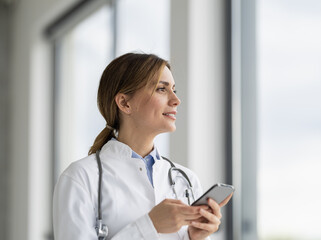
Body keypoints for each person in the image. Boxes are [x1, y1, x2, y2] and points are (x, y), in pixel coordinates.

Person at [53, 53, 232, 240]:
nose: (176, 100)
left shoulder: (186, 180)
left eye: (174, 90)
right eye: (162, 89)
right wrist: (149, 225)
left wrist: (195, 238)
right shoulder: (80, 178)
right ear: (124, 103)